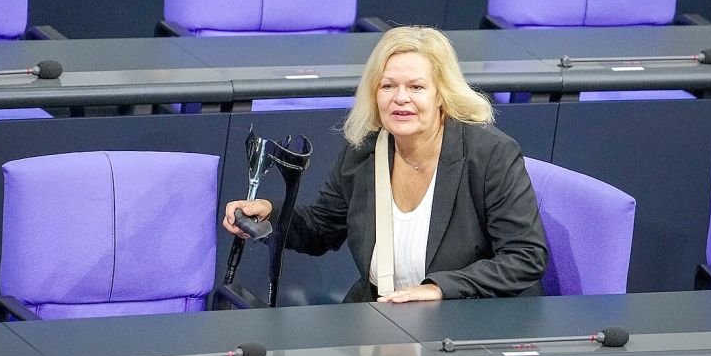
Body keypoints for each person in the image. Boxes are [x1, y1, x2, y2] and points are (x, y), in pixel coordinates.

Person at [224, 26, 547, 303]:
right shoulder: (365, 149)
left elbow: (525, 257)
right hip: (385, 312)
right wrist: (270, 214)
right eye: (388, 85)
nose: (400, 98)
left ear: (441, 95)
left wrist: (440, 289)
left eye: (416, 87)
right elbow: (322, 228)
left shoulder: (490, 154)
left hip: (467, 315)